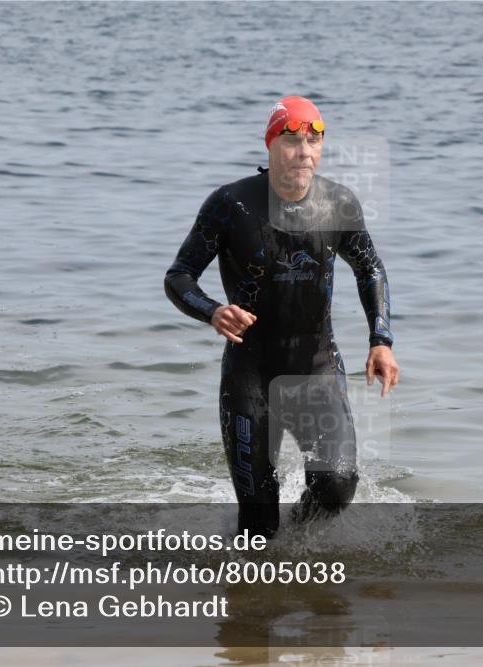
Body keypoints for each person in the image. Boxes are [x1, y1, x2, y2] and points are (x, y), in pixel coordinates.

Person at [165, 96, 400, 538]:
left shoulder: (339, 204)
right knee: (257, 525)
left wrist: (380, 339)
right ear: (271, 144)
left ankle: (296, 540)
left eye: (314, 141)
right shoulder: (231, 204)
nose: (304, 152)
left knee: (336, 486)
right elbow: (179, 276)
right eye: (291, 140)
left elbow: (370, 267)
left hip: (316, 371)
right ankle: (255, 596)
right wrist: (213, 311)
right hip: (249, 376)